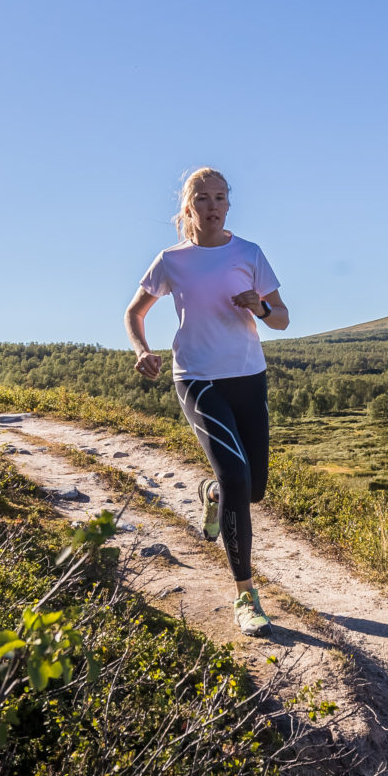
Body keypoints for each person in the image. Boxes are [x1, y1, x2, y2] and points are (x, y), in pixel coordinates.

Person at [125, 167, 289, 636]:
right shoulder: (171, 260)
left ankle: (213, 493)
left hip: (248, 375)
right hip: (197, 378)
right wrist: (142, 351)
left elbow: (281, 319)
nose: (212, 206)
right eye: (203, 198)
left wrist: (257, 306)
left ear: (229, 205)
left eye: (220, 198)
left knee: (251, 489)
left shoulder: (249, 254)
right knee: (237, 475)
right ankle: (246, 595)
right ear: (188, 207)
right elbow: (135, 311)